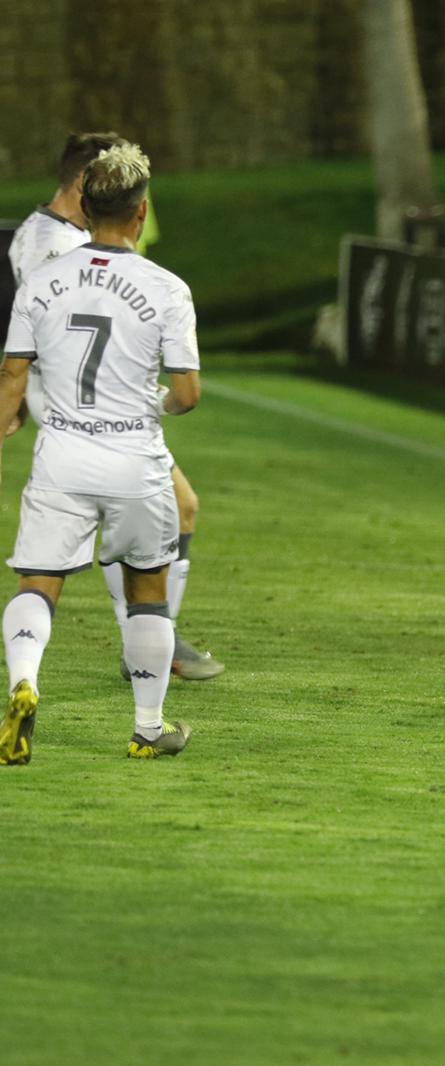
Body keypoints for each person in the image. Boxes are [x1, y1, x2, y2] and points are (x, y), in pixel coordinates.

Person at [0, 143, 199, 763]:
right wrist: (157, 403)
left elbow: (12, 372)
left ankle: (23, 682)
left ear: (84, 205)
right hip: (134, 460)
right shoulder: (167, 288)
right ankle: (147, 729)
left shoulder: (41, 279)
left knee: (39, 580)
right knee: (147, 591)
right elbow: (187, 394)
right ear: (140, 215)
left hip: (61, 455)